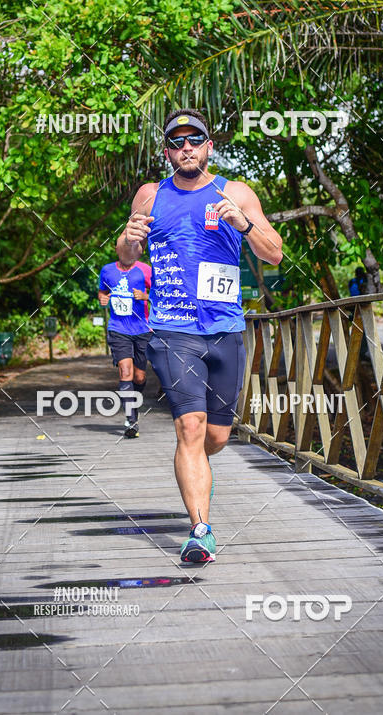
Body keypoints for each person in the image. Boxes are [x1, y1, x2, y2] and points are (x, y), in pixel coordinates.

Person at [119, 109, 282, 563]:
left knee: (215, 437)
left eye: (195, 140)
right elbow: (127, 255)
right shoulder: (151, 194)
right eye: (177, 142)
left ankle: (196, 467)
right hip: (173, 330)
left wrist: (244, 224)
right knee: (189, 427)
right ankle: (200, 531)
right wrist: (130, 238)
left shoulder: (235, 192)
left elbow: (275, 255)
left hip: (225, 329)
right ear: (167, 151)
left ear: (209, 146)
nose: (186, 148)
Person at [98, 245, 152, 438]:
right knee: (125, 371)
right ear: (117, 249)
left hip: (142, 329)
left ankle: (134, 410)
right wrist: (103, 299)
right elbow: (102, 292)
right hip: (118, 329)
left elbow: (161, 294)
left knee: (139, 377)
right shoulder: (107, 270)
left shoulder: (145, 270)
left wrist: (145, 296)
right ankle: (131, 421)